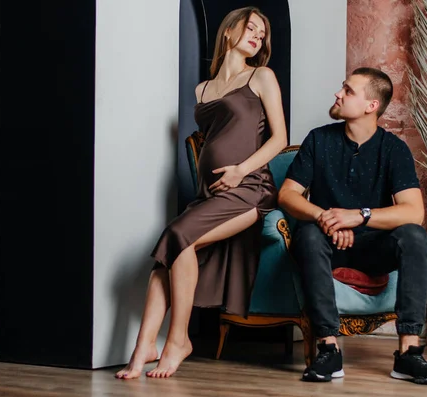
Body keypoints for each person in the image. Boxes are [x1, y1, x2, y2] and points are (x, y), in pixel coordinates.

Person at [115, 7, 287, 379]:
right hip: (211, 195)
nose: (258, 35)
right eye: (251, 27)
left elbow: (280, 139)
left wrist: (241, 170)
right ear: (229, 32)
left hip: (250, 190)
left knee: (178, 238)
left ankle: (178, 340)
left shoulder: (261, 76)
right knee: (168, 255)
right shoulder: (202, 90)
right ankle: (144, 345)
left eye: (262, 32)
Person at [279, 67, 427, 385]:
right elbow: (287, 195)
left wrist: (360, 215)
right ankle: (328, 349)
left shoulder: (394, 149)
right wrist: (324, 218)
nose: (338, 94)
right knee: (308, 236)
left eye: (348, 90)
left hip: (374, 247)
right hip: (329, 243)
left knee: (415, 236)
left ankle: (409, 353)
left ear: (371, 106)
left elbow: (413, 212)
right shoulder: (318, 140)